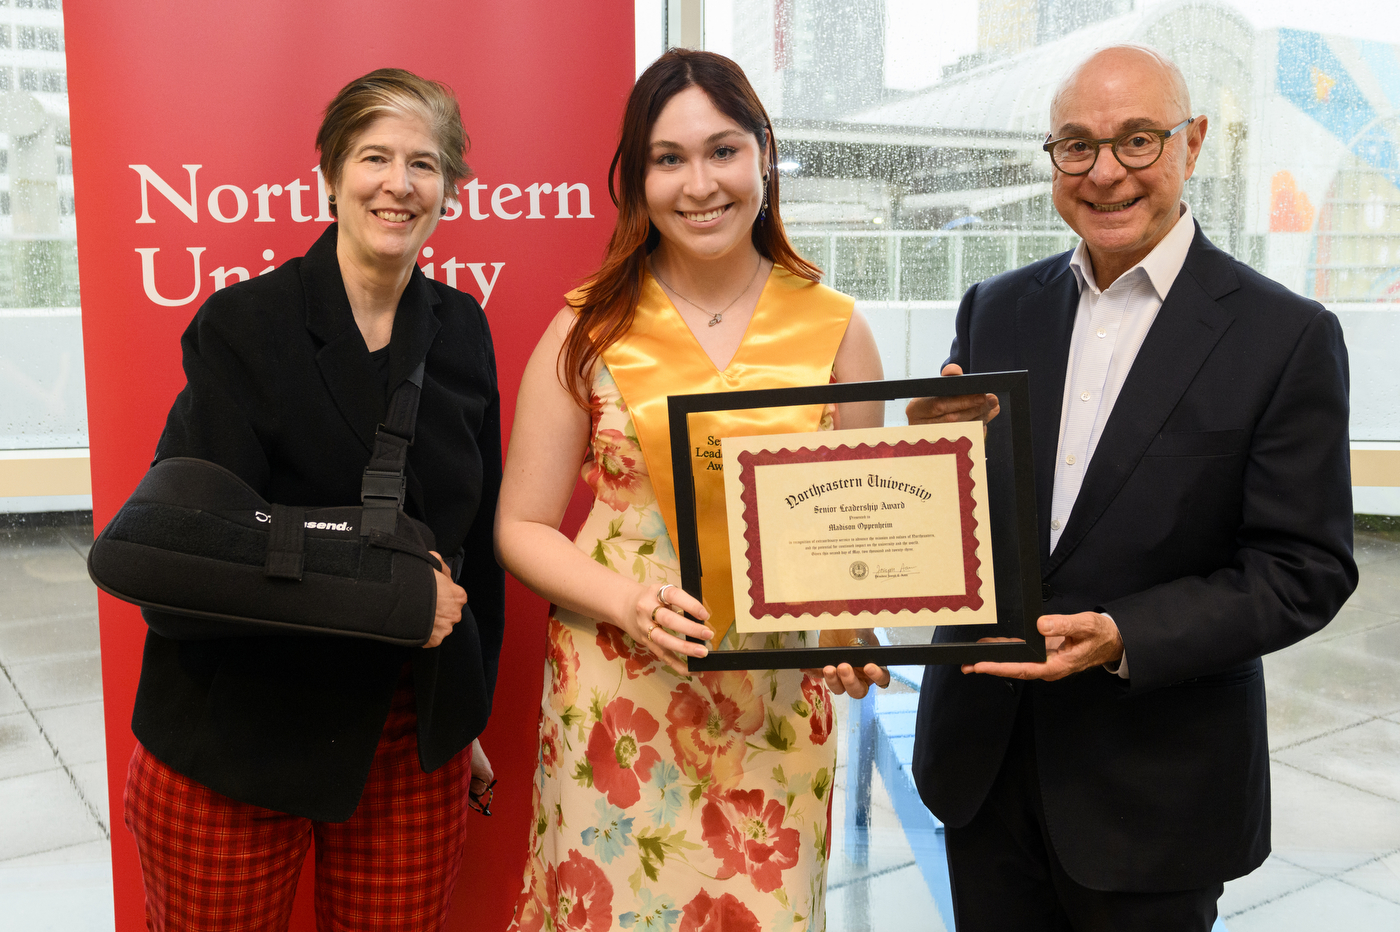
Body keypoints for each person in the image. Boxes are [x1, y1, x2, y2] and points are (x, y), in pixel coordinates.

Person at [907, 44, 1357, 931]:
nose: (1105, 172)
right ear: (1051, 161)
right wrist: (926, 462)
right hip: (983, 767)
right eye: (1076, 145)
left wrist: (1126, 636)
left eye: (1137, 141)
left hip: (1155, 793)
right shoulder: (996, 307)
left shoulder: (1286, 335)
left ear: (1192, 144)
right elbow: (965, 523)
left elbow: (1303, 567)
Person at [496, 49, 890, 932]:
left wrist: (853, 628)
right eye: (668, 159)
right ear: (637, 180)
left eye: (723, 151)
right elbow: (521, 525)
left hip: (777, 710)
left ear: (763, 155)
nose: (699, 183)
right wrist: (630, 601)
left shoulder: (836, 329)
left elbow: (859, 536)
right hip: (616, 690)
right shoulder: (588, 327)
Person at [122, 69, 504, 931]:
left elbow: (471, 541)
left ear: (449, 188)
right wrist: (396, 597)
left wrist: (462, 710)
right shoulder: (242, 327)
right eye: (374, 157)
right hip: (236, 728)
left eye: (425, 163)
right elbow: (194, 549)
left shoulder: (463, 329)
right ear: (330, 175)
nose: (398, 184)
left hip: (409, 732)